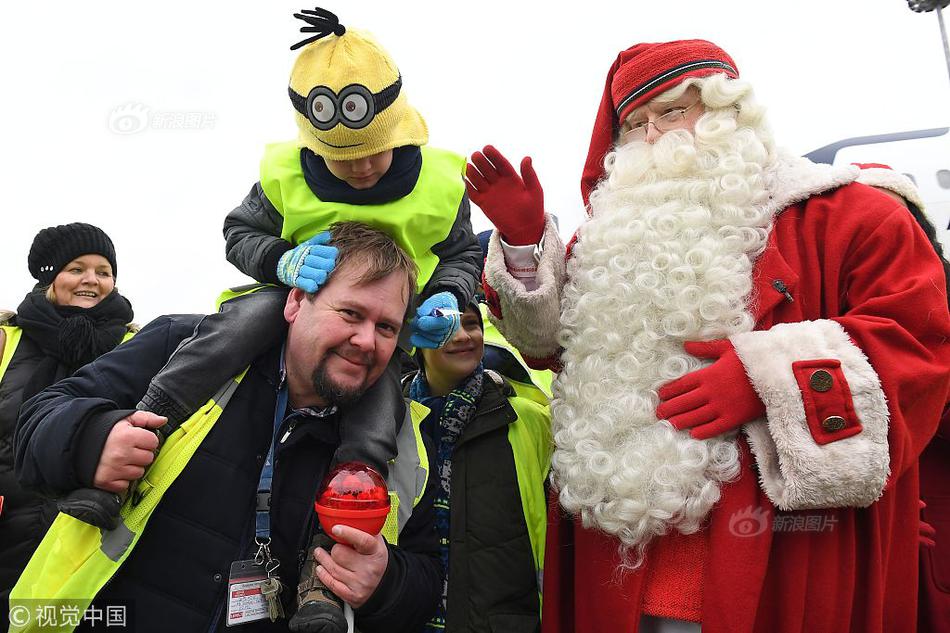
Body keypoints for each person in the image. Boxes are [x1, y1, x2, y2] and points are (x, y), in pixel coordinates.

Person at [470, 40, 950, 632]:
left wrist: (769, 379)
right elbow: (547, 348)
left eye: (672, 111)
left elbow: (919, 345)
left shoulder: (853, 216)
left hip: (778, 559)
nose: (652, 137)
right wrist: (522, 244)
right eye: (635, 125)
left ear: (731, 111)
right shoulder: (606, 244)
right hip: (619, 568)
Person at [12, 222, 441, 633]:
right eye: (350, 313)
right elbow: (36, 419)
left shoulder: (403, 439)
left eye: (386, 327)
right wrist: (92, 442)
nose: (366, 340)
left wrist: (384, 583)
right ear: (295, 302)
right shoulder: (180, 344)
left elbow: (426, 579)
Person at [0, 222, 134, 625]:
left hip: (88, 544)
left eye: (103, 271)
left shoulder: (135, 347)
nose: (91, 280)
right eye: (77, 269)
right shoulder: (6, 340)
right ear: (50, 277)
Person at [403, 299, 550, 632]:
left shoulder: (527, 419)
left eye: (471, 324)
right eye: (447, 324)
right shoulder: (390, 422)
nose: (462, 336)